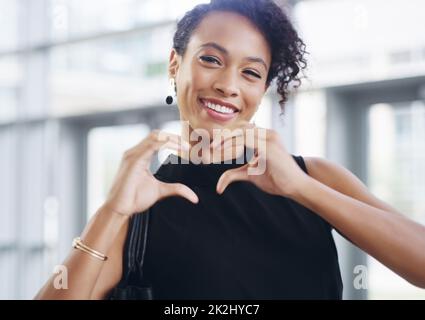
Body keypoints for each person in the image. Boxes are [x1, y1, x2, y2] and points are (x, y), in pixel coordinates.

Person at [35, 0, 425, 300]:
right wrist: (112, 212)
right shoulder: (136, 210)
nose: (227, 85)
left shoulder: (315, 177)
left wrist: (302, 190)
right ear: (175, 63)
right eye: (210, 59)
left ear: (263, 88)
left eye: (251, 72)